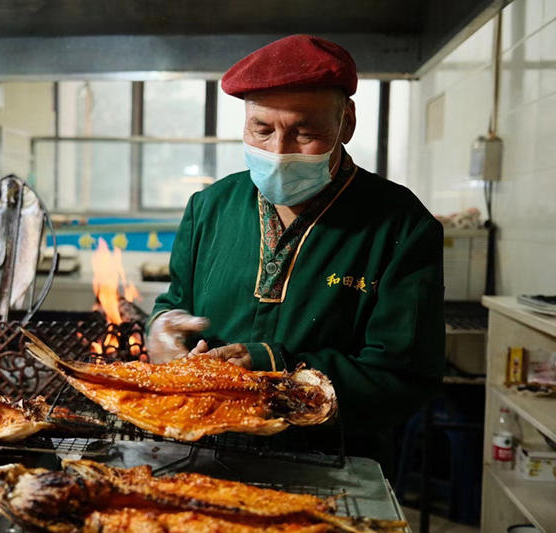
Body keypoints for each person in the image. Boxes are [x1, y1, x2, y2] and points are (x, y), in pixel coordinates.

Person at [145, 34, 445, 469]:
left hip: (332, 460)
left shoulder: (400, 225)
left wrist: (271, 366)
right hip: (203, 451)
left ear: (347, 123)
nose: (279, 152)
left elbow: (402, 376)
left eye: (306, 132)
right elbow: (175, 303)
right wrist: (163, 329)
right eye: (261, 130)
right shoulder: (209, 208)